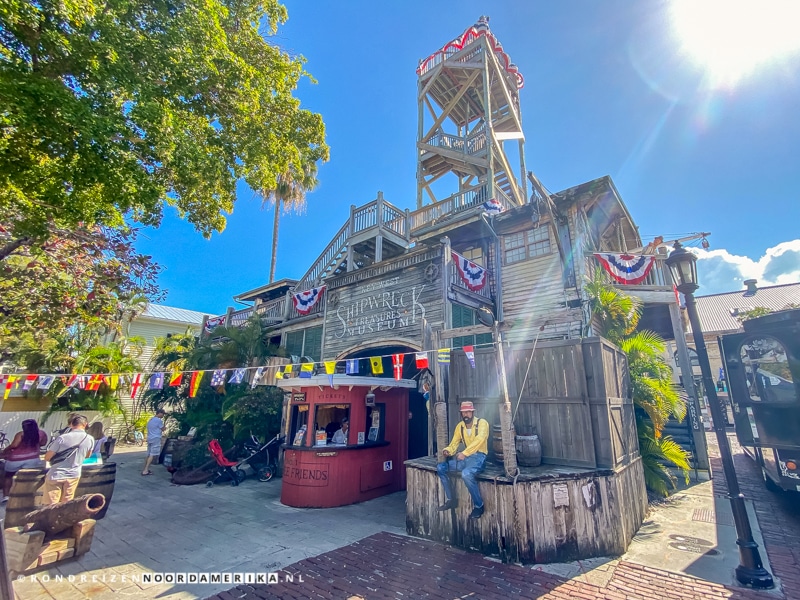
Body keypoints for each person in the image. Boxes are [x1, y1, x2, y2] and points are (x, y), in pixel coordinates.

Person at [436, 401, 489, 519]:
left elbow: (479, 440)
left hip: (479, 457)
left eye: (468, 412)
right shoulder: (460, 426)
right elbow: (454, 443)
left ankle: (479, 505)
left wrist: (465, 453)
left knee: (466, 474)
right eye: (463, 412)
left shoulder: (482, 423)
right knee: (441, 468)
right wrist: (448, 450)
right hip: (465, 458)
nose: (466, 415)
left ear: (473, 412)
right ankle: (451, 499)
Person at [43, 414, 95, 505]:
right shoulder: (90, 439)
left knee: (51, 503)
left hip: (56, 474)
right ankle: (63, 519)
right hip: (74, 475)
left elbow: (47, 457)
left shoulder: (62, 438)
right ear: (85, 424)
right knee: (67, 503)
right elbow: (87, 456)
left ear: (71, 424)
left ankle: (52, 518)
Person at [1, 419, 48, 502]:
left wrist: (5, 450)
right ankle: (26, 495)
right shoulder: (41, 433)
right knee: (28, 477)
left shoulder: (21, 434)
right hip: (33, 459)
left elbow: (14, 445)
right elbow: (43, 443)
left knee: (8, 476)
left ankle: (6, 496)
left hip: (15, 460)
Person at [142, 409, 166, 476]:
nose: (163, 415)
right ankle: (145, 470)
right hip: (156, 438)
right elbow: (163, 428)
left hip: (150, 438)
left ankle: (145, 468)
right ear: (159, 413)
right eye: (163, 414)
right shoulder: (158, 421)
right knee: (152, 454)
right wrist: (165, 427)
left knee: (148, 454)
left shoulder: (151, 420)